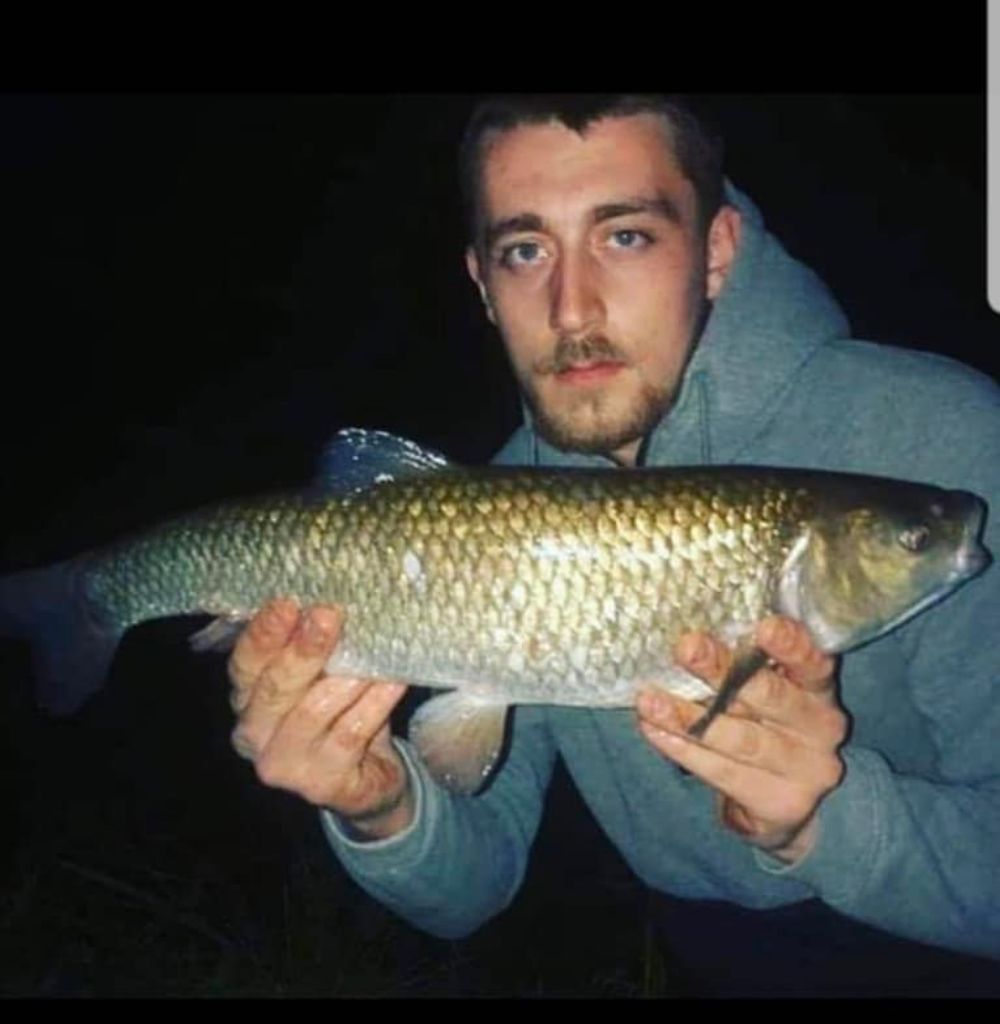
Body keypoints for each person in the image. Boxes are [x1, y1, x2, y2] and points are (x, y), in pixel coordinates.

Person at [225, 95, 1000, 996]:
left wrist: (823, 823)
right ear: (481, 283)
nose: (572, 307)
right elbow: (476, 885)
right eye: (525, 251)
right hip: (701, 952)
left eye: (624, 236)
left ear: (716, 250)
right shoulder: (490, 511)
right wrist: (382, 806)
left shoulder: (944, 437)